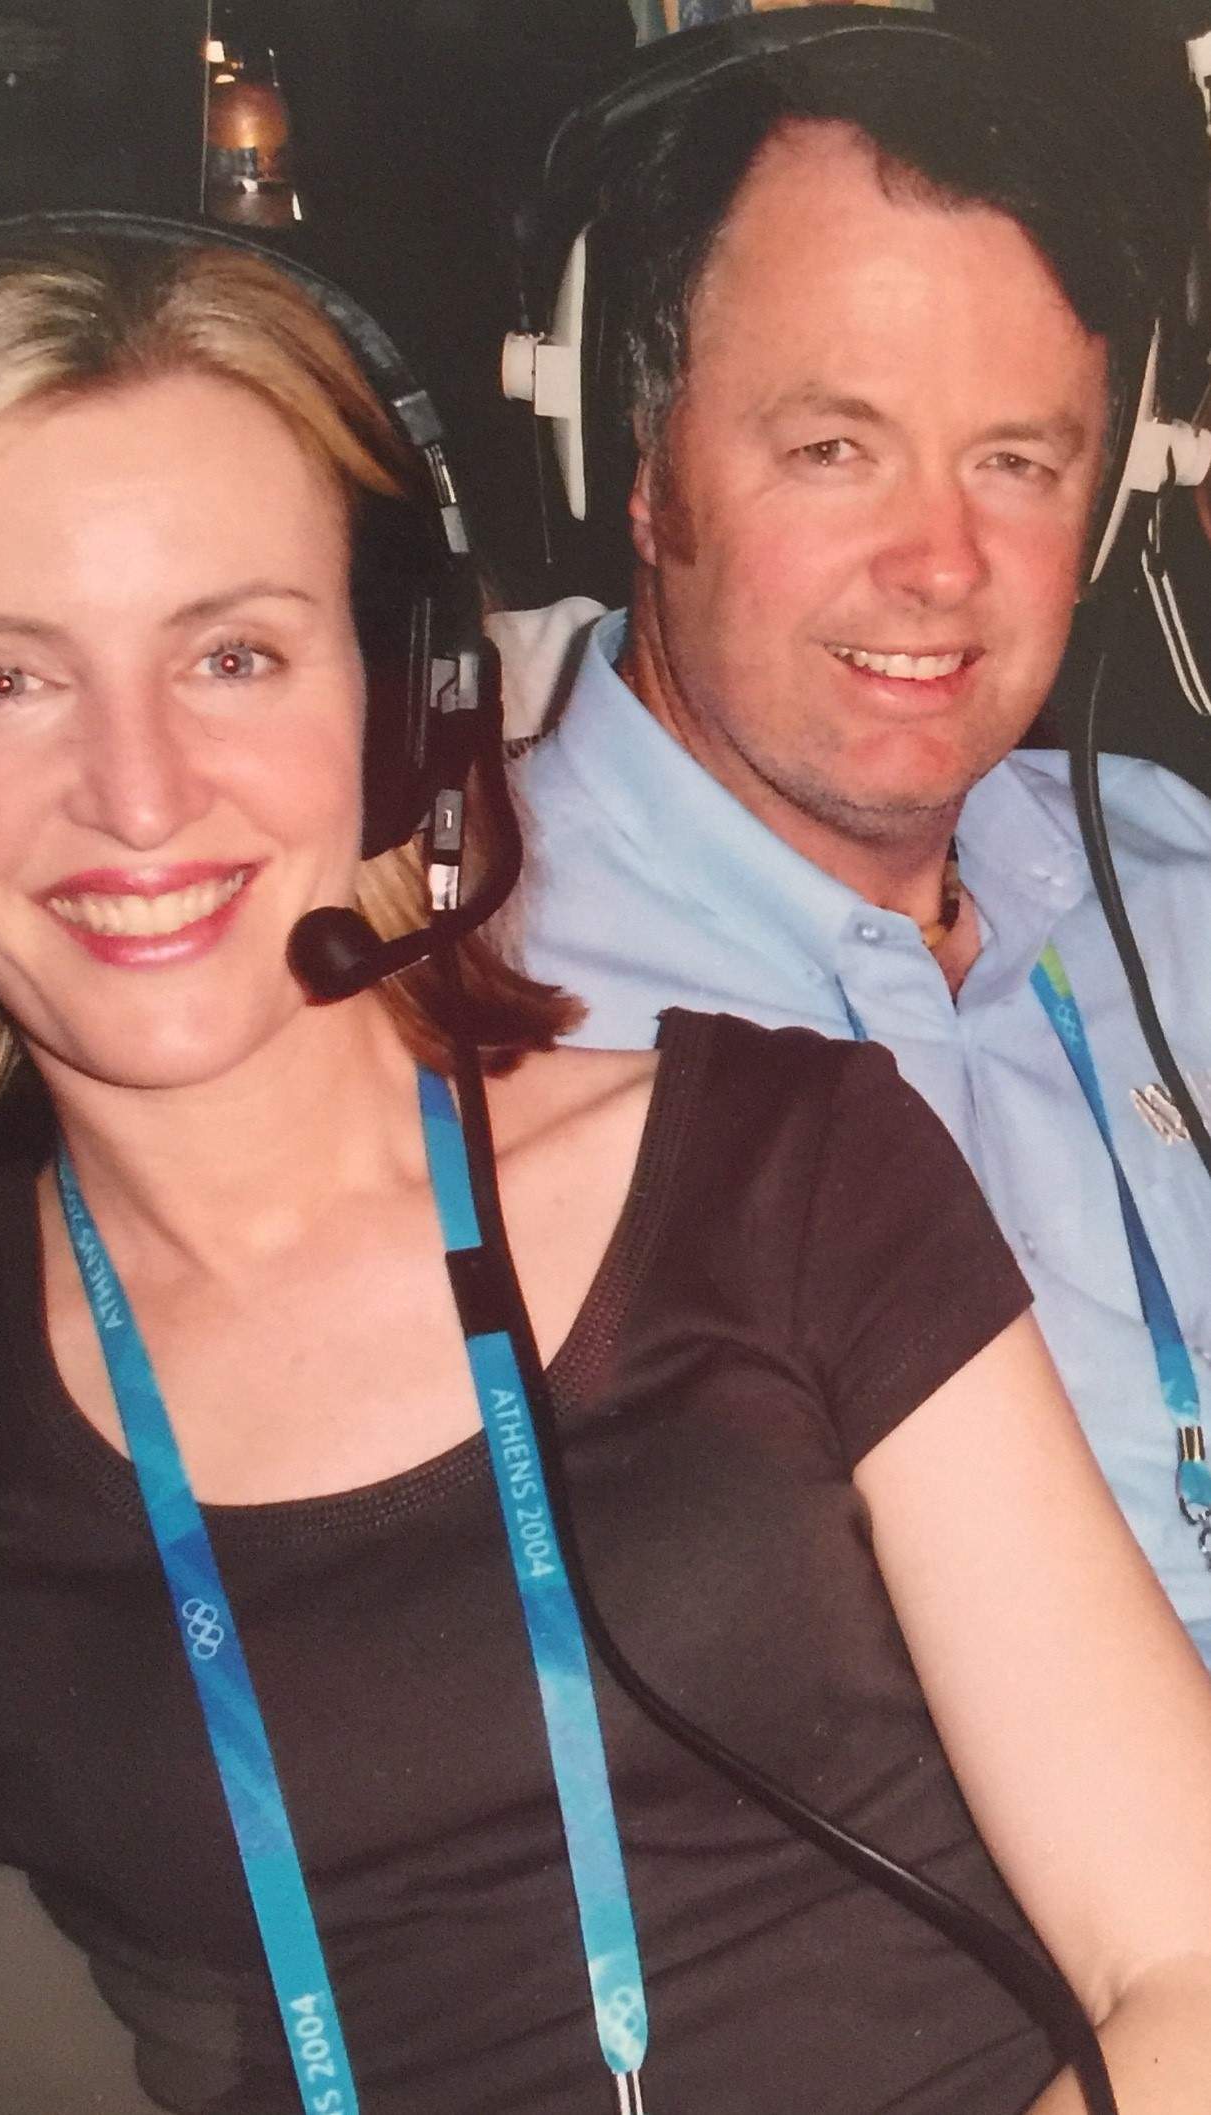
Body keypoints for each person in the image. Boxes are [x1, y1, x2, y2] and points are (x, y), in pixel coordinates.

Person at [0, 214, 1211, 2115]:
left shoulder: (782, 1166)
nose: (135, 791)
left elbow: (1179, 1960)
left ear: (404, 704)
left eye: (230, 652)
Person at [508, 14, 1211, 1668]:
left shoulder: (1171, 881)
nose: (938, 564)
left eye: (1016, 463)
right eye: (833, 448)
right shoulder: (442, 999)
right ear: (638, 465)